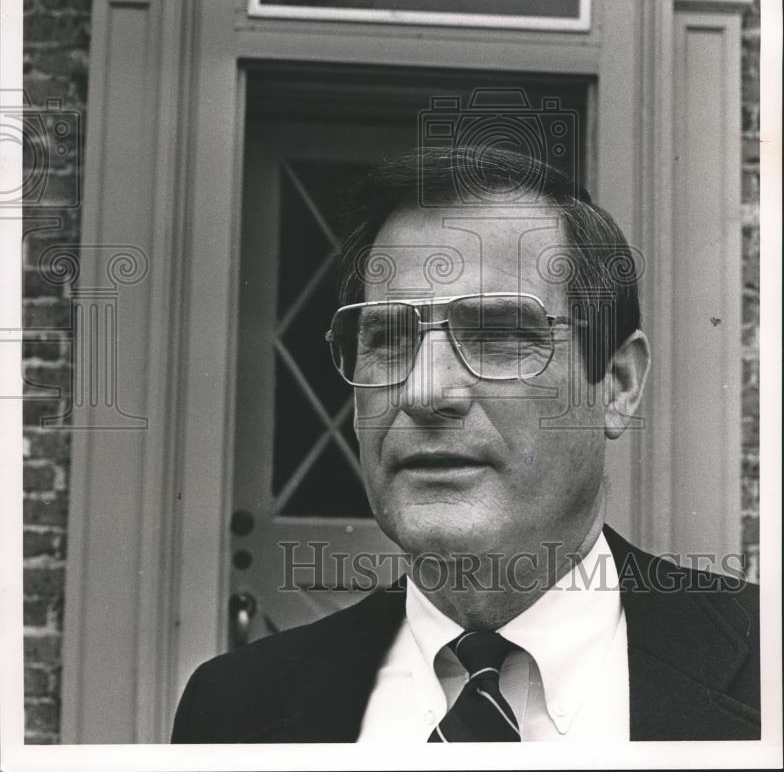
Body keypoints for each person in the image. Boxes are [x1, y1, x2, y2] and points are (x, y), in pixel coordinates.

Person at [171, 145, 759, 743]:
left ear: (617, 384)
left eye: (498, 335)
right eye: (387, 338)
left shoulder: (766, 667)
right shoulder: (233, 710)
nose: (425, 392)